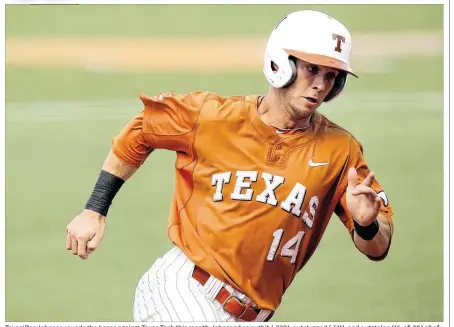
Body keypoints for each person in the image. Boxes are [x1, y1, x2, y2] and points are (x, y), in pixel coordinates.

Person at [65, 10, 394, 322]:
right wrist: (95, 209)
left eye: (331, 76)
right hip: (182, 290)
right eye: (311, 69)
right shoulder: (212, 116)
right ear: (281, 63)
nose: (320, 85)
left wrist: (366, 225)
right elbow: (143, 129)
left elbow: (378, 247)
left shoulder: (341, 151)